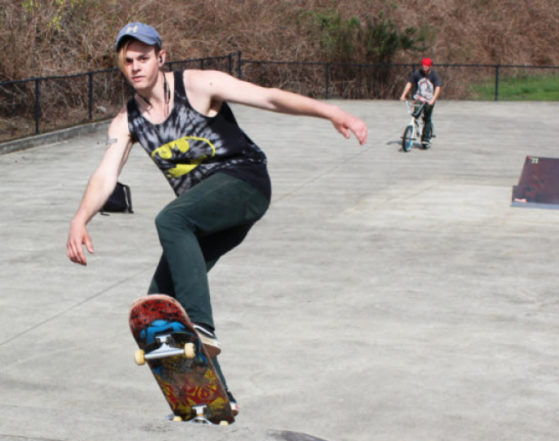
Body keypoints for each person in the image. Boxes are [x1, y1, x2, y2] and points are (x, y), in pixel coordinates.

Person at [66, 22, 368, 413]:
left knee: (170, 221)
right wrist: (79, 218)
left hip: (245, 184)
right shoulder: (127, 122)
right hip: (206, 213)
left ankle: (203, 330)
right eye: (128, 61)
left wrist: (330, 111)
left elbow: (270, 98)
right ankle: (216, 396)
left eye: (144, 58)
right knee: (160, 306)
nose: (136, 67)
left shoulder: (199, 85)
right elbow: (106, 174)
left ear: (161, 57)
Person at [399, 58, 442, 146]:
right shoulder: (417, 73)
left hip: (429, 99)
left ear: (430, 66)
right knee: (415, 114)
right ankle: (414, 127)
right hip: (419, 98)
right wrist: (403, 94)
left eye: (426, 65)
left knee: (427, 118)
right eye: (423, 65)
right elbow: (409, 83)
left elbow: (438, 87)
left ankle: (425, 138)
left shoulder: (434, 75)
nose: (424, 67)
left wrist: (433, 100)